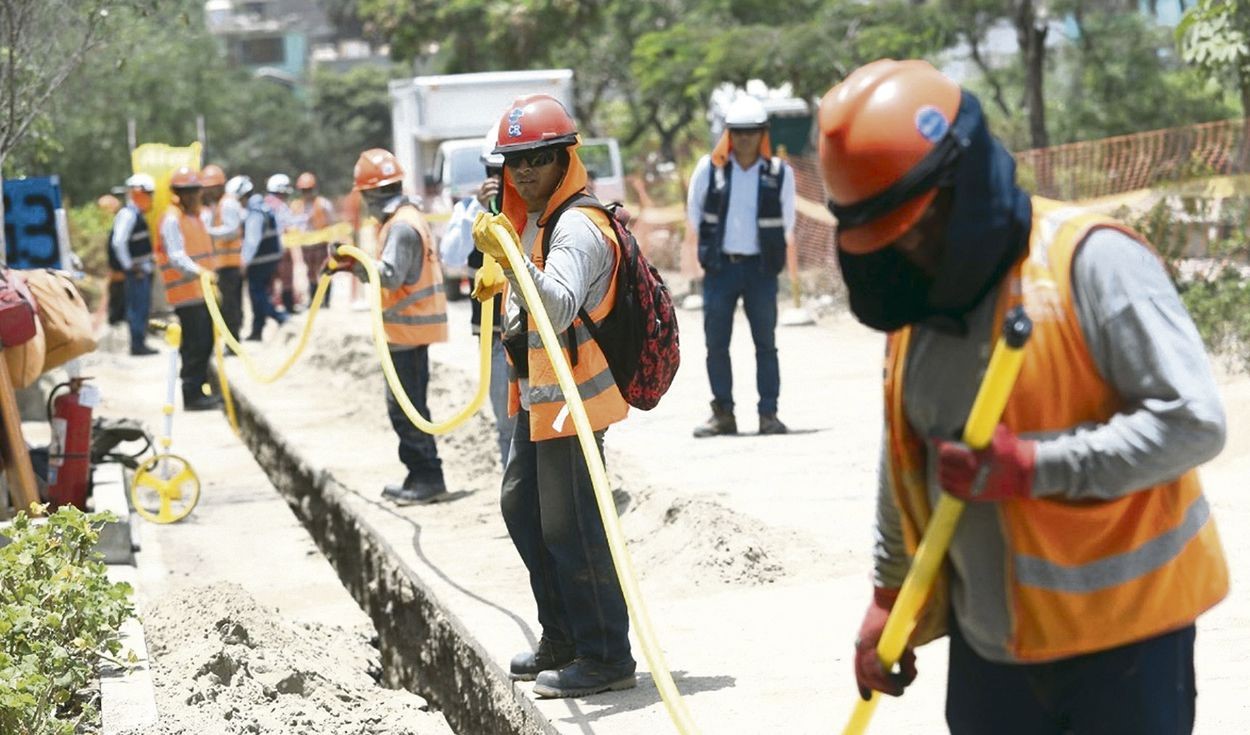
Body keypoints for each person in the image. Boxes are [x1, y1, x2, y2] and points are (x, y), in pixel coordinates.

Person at [818, 60, 1229, 734]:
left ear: (963, 182)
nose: (913, 254)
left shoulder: (1090, 263)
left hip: (1125, 650)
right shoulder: (912, 311)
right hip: (992, 653)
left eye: (919, 228)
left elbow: (1193, 422)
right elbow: (904, 460)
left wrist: (1035, 467)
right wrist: (891, 597)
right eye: (892, 240)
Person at [471, 94, 636, 699]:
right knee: (523, 508)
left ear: (565, 158)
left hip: (576, 400)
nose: (525, 171)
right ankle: (562, 637)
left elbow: (561, 303)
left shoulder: (577, 226)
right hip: (542, 397)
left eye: (538, 158)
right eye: (515, 162)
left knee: (573, 527)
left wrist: (512, 265)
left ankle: (604, 656)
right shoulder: (538, 221)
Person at [684, 95, 797, 437]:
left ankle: (769, 414)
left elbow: (787, 219)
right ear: (729, 133)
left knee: (766, 343)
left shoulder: (779, 173)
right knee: (716, 344)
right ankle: (723, 414)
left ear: (762, 133)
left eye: (752, 131)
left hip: (760, 271)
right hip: (721, 270)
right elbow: (695, 212)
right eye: (739, 132)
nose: (745, 138)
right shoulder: (711, 169)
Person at [351, 148, 449, 505]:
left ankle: (427, 477)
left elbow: (390, 277)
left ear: (370, 193)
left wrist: (355, 262)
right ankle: (419, 475)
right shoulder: (405, 219)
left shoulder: (402, 226)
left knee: (406, 408)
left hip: (407, 333)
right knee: (409, 406)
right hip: (407, 332)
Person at [439, 125, 514, 467]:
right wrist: (479, 214)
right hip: (495, 336)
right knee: (507, 421)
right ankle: (514, 492)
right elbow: (453, 257)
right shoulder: (469, 210)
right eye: (492, 173)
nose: (500, 180)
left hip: (534, 333)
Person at [157, 167, 220, 410]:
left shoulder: (196, 217)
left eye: (195, 190)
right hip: (186, 294)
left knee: (205, 343)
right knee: (195, 345)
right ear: (178, 193)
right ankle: (192, 395)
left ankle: (200, 388)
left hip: (202, 292)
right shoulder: (172, 219)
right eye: (187, 191)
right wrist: (201, 273)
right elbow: (176, 256)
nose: (193, 196)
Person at [109, 176, 157, 355]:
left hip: (142, 270)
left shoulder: (136, 214)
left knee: (142, 307)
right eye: (148, 194)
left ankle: (140, 342)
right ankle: (137, 344)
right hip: (136, 272)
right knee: (137, 308)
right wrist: (129, 266)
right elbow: (118, 242)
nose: (151, 198)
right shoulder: (128, 215)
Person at [239, 175, 289, 341]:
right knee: (260, 293)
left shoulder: (255, 212)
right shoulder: (262, 206)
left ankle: (280, 317)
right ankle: (257, 330)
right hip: (270, 257)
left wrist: (244, 262)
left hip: (261, 260)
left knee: (257, 294)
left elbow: (252, 241)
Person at [200, 165, 245, 342]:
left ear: (219, 186)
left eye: (210, 188)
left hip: (230, 264)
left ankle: (233, 340)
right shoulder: (218, 205)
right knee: (227, 304)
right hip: (222, 264)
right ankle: (230, 339)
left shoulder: (227, 203)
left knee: (229, 305)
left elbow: (232, 230)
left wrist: (208, 232)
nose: (207, 192)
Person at [290, 172, 337, 308]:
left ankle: (326, 301)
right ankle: (314, 300)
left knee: (324, 271)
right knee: (310, 272)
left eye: (308, 190)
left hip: (321, 243)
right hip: (306, 245)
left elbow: (331, 221)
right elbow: (293, 223)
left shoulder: (322, 203)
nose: (306, 193)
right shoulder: (297, 205)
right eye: (304, 190)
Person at [266, 173, 301, 314]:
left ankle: (269, 307)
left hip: (267, 250)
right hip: (282, 247)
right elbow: (289, 226)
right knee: (286, 278)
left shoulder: (264, 203)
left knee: (269, 281)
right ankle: (288, 305)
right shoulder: (281, 206)